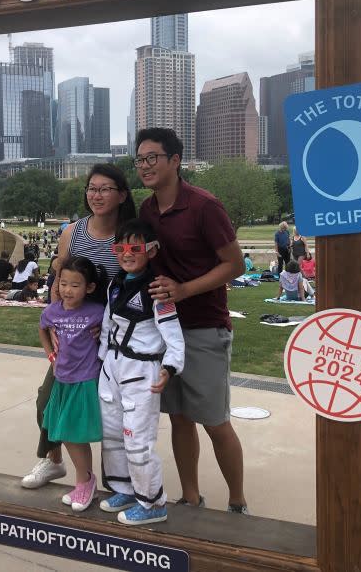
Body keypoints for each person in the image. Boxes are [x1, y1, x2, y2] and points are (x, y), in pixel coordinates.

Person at [136, 127, 248, 514]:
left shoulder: (204, 206)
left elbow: (234, 265)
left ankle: (237, 502)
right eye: (139, 160)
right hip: (163, 331)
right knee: (179, 418)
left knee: (215, 421)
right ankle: (191, 496)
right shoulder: (147, 210)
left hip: (204, 328)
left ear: (175, 161)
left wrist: (184, 290)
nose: (145, 166)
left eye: (152, 158)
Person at [21, 163, 136, 491]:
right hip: (74, 335)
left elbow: (137, 283)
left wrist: (114, 326)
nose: (96, 195)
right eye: (92, 189)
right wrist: (56, 321)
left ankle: (116, 480)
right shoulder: (73, 231)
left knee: (110, 411)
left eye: (105, 189)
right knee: (49, 400)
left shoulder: (129, 234)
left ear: (122, 194)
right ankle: (53, 460)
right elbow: (59, 280)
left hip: (114, 335)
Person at [98, 220, 185, 526]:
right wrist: (101, 360)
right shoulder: (116, 283)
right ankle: (125, 488)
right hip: (112, 366)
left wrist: (170, 367)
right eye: (120, 248)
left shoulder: (157, 289)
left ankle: (152, 503)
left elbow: (173, 335)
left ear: (151, 250)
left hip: (141, 370)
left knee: (137, 439)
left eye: (135, 248)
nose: (127, 253)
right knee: (111, 433)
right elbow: (109, 324)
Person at [39, 257, 105, 512]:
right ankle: (85, 482)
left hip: (84, 381)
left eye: (75, 285)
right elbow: (42, 328)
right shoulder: (52, 311)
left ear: (89, 288)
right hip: (62, 381)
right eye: (63, 283)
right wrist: (51, 356)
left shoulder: (97, 312)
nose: (67, 290)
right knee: (66, 434)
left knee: (73, 435)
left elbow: (112, 333)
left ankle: (85, 482)